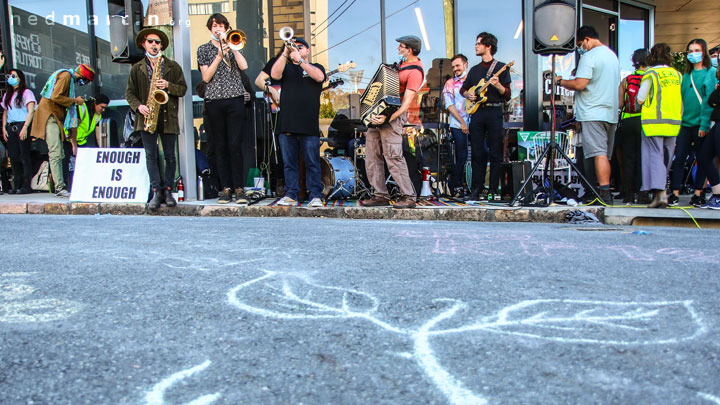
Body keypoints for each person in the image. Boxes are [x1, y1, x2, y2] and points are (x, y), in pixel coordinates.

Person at [556, 26, 620, 204]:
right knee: (605, 155)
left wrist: (560, 81)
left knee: (598, 154)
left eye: (579, 44)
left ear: (587, 40)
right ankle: (602, 192)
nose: (580, 48)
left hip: (593, 112)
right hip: (610, 112)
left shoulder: (589, 56)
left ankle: (603, 194)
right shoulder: (611, 56)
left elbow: (580, 84)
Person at [126, 27, 188, 211]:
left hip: (167, 116)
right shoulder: (137, 68)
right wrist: (139, 106)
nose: (154, 44)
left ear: (161, 45)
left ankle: (168, 190)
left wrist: (168, 85)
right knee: (151, 156)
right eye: (151, 41)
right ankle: (156, 191)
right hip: (147, 117)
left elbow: (183, 89)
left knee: (170, 156)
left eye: (157, 42)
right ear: (144, 44)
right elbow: (129, 93)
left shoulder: (172, 66)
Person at [361, 35, 424, 209]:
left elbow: (406, 104)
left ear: (409, 49)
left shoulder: (415, 71)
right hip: (378, 117)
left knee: (393, 157)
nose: (398, 49)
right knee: (372, 156)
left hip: (393, 118)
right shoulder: (399, 67)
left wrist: (388, 117)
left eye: (401, 46)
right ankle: (380, 194)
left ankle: (409, 196)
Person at [197, 13, 250, 204]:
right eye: (213, 26)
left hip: (235, 99)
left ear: (227, 27)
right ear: (210, 29)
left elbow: (244, 66)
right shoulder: (203, 49)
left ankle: (239, 188)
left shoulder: (234, 44)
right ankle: (225, 187)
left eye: (220, 25)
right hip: (214, 101)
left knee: (235, 145)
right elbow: (206, 78)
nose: (217, 29)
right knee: (220, 146)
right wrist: (219, 55)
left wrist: (232, 48)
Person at [270, 36, 326, 207]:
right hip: (287, 123)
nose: (297, 48)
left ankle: (315, 195)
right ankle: (291, 194)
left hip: (308, 125)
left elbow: (319, 77)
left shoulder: (315, 67)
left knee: (312, 162)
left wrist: (300, 60)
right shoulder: (286, 68)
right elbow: (274, 74)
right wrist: (285, 53)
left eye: (301, 47)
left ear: (308, 50)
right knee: (289, 163)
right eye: (295, 46)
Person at [30, 63, 95, 197]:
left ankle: (60, 186)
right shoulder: (66, 77)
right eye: (87, 81)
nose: (86, 83)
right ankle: (59, 187)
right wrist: (75, 101)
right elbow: (56, 97)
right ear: (83, 77)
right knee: (55, 152)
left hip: (56, 117)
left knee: (59, 153)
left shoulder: (69, 79)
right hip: (50, 116)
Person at [461, 32, 511, 201]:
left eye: (479, 43)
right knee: (476, 152)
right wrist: (468, 94)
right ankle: (477, 187)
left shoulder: (502, 67)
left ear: (488, 46)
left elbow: (508, 94)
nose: (475, 46)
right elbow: (463, 89)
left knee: (496, 152)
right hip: (477, 113)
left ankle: (494, 189)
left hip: (494, 111)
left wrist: (498, 86)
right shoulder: (475, 70)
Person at [667, 39, 717, 207]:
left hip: (701, 124)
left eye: (696, 50)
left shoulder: (711, 73)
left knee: (703, 159)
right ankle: (674, 193)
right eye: (690, 51)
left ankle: (698, 193)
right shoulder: (686, 75)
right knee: (679, 157)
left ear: (703, 53)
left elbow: (709, 102)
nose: (693, 53)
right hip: (684, 124)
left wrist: (704, 125)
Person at [636, 43, 682, 208]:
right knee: (666, 158)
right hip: (673, 122)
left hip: (653, 122)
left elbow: (641, 98)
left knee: (654, 156)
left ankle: (659, 194)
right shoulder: (677, 75)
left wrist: (638, 103)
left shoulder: (651, 73)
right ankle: (663, 191)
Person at [617, 49, 649, 205]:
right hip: (645, 122)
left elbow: (620, 104)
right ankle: (643, 193)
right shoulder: (650, 78)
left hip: (628, 121)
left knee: (628, 158)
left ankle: (629, 194)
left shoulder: (626, 80)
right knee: (644, 157)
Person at [2, 69, 36, 194]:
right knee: (13, 156)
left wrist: (25, 127)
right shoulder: (8, 94)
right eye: (10, 76)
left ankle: (27, 185)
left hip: (22, 125)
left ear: (20, 78)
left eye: (14, 76)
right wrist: (4, 128)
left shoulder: (27, 93)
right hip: (11, 127)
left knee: (24, 155)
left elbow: (31, 111)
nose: (11, 78)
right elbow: (5, 112)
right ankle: (17, 184)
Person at [442, 54, 471, 198]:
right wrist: (462, 122)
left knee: (481, 153)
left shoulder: (474, 81)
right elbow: (449, 105)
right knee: (462, 155)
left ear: (465, 64)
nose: (455, 69)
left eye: (458, 65)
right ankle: (458, 187)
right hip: (457, 124)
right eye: (453, 67)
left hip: (475, 123)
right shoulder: (450, 83)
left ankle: (476, 186)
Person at [701, 67, 720, 209]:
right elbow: (711, 101)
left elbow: (714, 99)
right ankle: (717, 194)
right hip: (717, 122)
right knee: (704, 157)